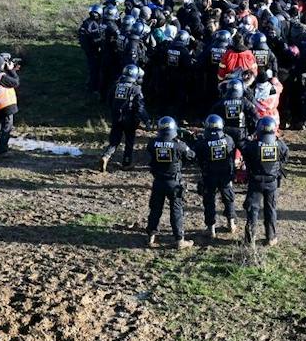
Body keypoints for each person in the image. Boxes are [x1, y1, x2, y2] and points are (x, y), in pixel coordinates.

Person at [143, 117, 195, 250]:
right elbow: (192, 156)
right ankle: (179, 240)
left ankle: (151, 236)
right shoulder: (179, 144)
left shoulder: (152, 143)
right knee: (176, 210)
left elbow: (149, 154)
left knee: (155, 209)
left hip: (158, 182)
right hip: (174, 183)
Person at [242, 116, 288, 247]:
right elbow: (285, 156)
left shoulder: (251, 146)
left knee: (253, 210)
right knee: (271, 210)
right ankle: (271, 237)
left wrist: (250, 137)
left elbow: (243, 147)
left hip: (255, 183)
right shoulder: (280, 145)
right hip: (272, 183)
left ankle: (250, 239)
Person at [195, 114, 237, 240]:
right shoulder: (228, 139)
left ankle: (211, 228)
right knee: (228, 199)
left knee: (209, 201)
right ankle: (231, 223)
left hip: (209, 176)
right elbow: (232, 153)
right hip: (225, 176)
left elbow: (197, 156)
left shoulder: (203, 142)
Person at [99, 64, 148, 172]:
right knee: (129, 142)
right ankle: (126, 163)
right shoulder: (136, 89)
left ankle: (106, 156)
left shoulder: (115, 86)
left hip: (116, 118)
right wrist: (146, 120)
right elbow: (140, 108)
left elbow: (109, 101)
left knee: (114, 141)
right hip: (130, 120)